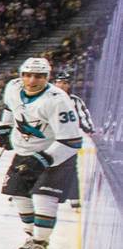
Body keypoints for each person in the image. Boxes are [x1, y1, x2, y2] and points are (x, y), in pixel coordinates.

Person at [0, 57, 83, 249]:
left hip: (56, 156)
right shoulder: (13, 87)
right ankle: (32, 236)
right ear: (21, 75)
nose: (33, 80)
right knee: (18, 194)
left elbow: (72, 141)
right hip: (25, 151)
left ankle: (40, 242)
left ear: (47, 77)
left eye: (39, 76)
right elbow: (9, 107)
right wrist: (5, 128)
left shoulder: (58, 100)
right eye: (28, 75)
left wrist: (44, 158)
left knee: (44, 197)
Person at [51, 71, 93, 210]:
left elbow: (83, 116)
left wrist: (90, 130)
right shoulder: (46, 98)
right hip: (47, 139)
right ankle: (24, 192)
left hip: (68, 141)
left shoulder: (74, 100)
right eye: (60, 82)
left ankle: (74, 198)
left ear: (69, 85)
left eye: (65, 83)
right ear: (55, 83)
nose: (62, 85)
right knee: (38, 165)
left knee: (70, 168)